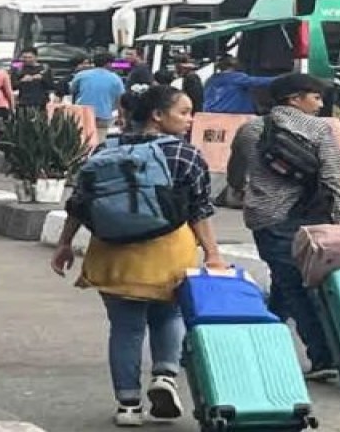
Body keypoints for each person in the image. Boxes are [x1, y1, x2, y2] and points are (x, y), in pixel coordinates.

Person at [52, 85, 225, 427]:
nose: (189, 120)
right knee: (169, 318)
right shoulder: (184, 154)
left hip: (113, 256)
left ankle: (128, 405)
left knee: (125, 329)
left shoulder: (105, 148)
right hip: (168, 253)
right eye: (183, 112)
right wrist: (213, 255)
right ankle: (164, 376)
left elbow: (79, 202)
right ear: (158, 116)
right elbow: (199, 210)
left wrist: (64, 243)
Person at [226, 73, 340, 379]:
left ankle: (254, 342)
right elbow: (333, 180)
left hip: (268, 217)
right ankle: (324, 358)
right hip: (312, 219)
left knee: (286, 281)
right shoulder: (321, 130)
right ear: (295, 99)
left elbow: (235, 173)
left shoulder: (250, 129)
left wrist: (244, 191)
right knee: (298, 286)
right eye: (316, 97)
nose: (320, 104)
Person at [71, 52, 126, 138]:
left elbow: (72, 91)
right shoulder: (116, 78)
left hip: (82, 113)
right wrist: (121, 117)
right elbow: (120, 100)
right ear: (108, 64)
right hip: (103, 115)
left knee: (82, 138)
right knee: (99, 139)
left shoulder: (81, 75)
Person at [203, 56, 273, 115]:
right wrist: (280, 79)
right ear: (234, 66)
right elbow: (260, 81)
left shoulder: (210, 80)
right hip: (233, 115)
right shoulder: (236, 77)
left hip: (210, 114)